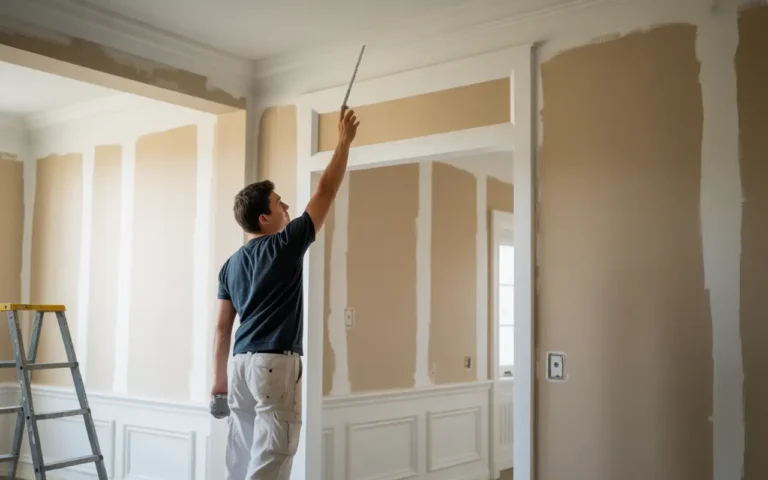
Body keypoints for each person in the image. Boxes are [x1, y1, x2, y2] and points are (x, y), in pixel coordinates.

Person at [211, 106, 359, 479]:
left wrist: (219, 385)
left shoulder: (230, 264)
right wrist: (343, 143)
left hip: (240, 367)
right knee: (271, 462)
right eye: (280, 204)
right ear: (265, 217)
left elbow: (222, 330)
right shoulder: (284, 244)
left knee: (240, 461)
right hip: (274, 365)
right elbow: (325, 191)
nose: (287, 207)